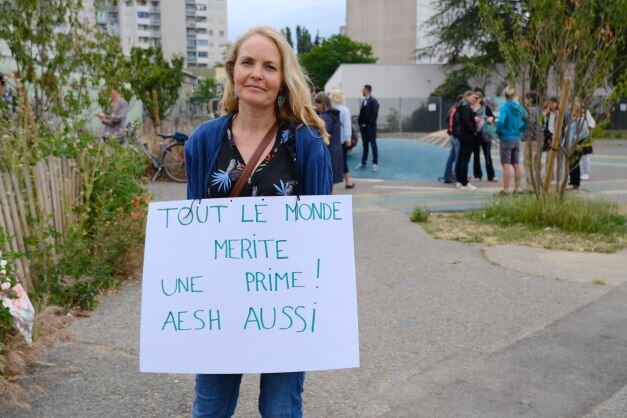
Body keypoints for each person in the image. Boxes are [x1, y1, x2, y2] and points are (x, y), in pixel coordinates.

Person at [184, 26, 332, 418]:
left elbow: (321, 238)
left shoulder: (307, 145)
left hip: (286, 306)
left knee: (281, 409)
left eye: (270, 66)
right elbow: (192, 231)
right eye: (248, 62)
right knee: (209, 409)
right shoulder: (203, 141)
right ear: (233, 70)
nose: (257, 74)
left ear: (282, 80)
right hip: (219, 304)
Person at [496, 86, 528, 194]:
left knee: (506, 164)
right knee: (516, 164)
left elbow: (500, 122)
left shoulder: (504, 107)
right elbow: (527, 119)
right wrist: (521, 129)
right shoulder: (519, 107)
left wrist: (499, 132)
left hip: (506, 138)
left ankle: (505, 189)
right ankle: (517, 187)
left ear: (505, 96)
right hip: (516, 137)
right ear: (515, 95)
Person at [314, 92, 344, 188]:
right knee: (330, 184)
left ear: (323, 103)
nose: (316, 106)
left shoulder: (326, 117)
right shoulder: (334, 115)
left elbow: (324, 134)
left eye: (317, 103)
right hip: (336, 150)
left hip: (329, 152)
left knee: (327, 184)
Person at [453, 90, 481, 190]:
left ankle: (460, 180)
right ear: (468, 96)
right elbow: (466, 121)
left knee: (461, 158)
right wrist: (473, 130)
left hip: (462, 134)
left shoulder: (461, 106)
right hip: (467, 135)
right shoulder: (465, 107)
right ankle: (464, 182)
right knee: (465, 159)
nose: (475, 100)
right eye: (474, 97)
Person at [329, 89, 355, 189]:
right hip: (342, 139)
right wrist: (348, 138)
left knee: (333, 160)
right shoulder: (344, 109)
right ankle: (348, 182)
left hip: (332, 139)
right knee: (343, 160)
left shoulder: (330, 108)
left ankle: (335, 182)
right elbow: (347, 125)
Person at [438, 95, 463, 184]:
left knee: (451, 157)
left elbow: (448, 121)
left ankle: (447, 176)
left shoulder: (452, 109)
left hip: (452, 136)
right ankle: (457, 176)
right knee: (457, 158)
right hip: (456, 136)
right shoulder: (458, 110)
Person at [355, 84, 380, 171]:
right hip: (363, 127)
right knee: (365, 145)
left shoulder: (374, 101)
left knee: (373, 145)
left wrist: (370, 124)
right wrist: (360, 124)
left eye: (363, 89)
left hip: (371, 128)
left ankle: (375, 163)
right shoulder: (363, 101)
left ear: (367, 90)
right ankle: (363, 162)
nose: (362, 91)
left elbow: (374, 114)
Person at [473, 92, 497, 182]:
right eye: (474, 97)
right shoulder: (471, 109)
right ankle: (478, 175)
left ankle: (491, 175)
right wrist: (473, 119)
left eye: (478, 98)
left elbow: (492, 116)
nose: (476, 99)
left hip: (485, 133)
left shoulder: (486, 108)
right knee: (476, 155)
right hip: (475, 134)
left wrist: (491, 118)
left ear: (481, 99)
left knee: (487, 155)